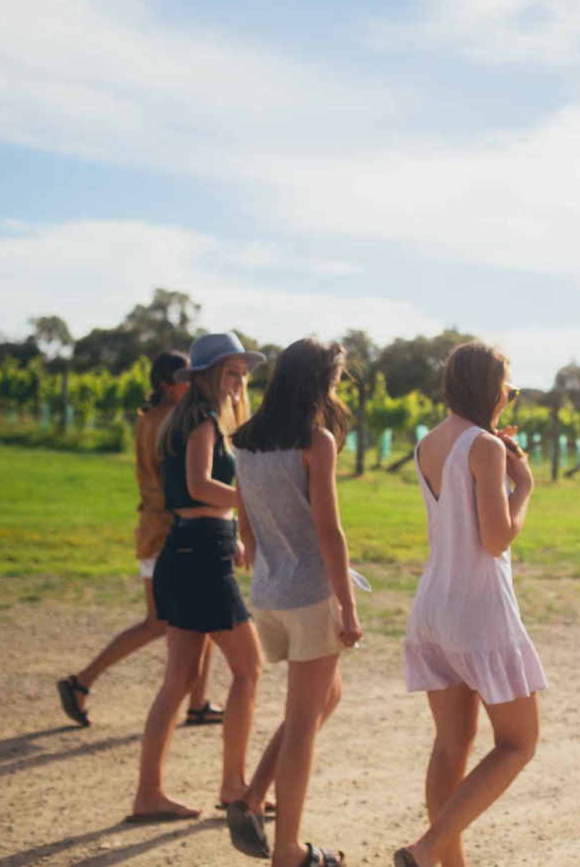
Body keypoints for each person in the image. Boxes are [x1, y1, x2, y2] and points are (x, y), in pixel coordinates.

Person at [393, 342, 544, 867]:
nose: (510, 396)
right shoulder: (486, 446)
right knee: (518, 744)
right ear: (489, 387)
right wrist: (522, 486)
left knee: (449, 747)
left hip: (431, 606)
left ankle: (443, 860)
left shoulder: (427, 442)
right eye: (509, 387)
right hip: (478, 608)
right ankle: (429, 847)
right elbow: (497, 539)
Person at [224, 338, 363, 867]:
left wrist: (262, 565)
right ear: (321, 380)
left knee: (326, 696)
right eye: (336, 377)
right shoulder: (316, 441)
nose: (338, 386)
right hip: (310, 595)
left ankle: (253, 795)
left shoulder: (248, 440)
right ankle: (289, 850)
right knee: (305, 720)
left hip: (269, 593)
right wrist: (348, 609)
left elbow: (248, 521)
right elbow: (329, 532)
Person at [129, 332, 266, 822]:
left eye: (243, 374)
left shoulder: (181, 418)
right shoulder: (203, 419)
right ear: (209, 374)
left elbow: (194, 499)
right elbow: (197, 485)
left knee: (179, 680)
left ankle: (150, 794)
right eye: (231, 372)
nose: (239, 382)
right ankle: (233, 786)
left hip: (187, 549)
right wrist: (250, 501)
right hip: (200, 558)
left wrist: (235, 533)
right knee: (250, 669)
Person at [56, 351, 224, 729]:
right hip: (171, 530)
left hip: (152, 527)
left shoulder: (148, 419)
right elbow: (188, 483)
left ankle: (198, 703)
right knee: (163, 623)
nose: (192, 383)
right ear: (166, 384)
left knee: (192, 619)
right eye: (185, 377)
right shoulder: (177, 421)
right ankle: (81, 681)